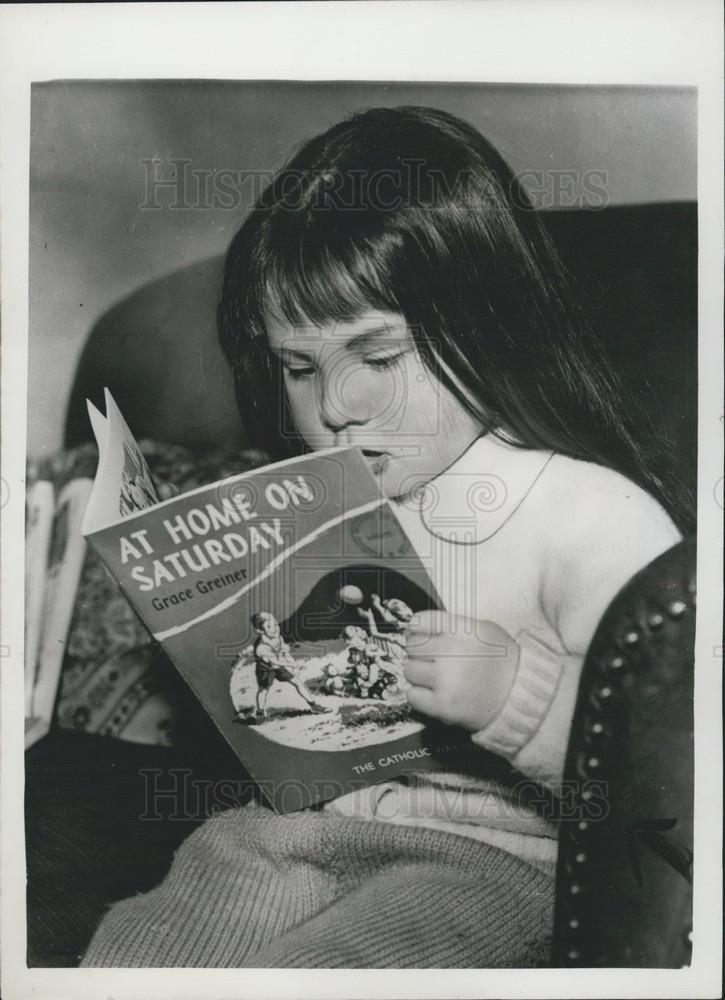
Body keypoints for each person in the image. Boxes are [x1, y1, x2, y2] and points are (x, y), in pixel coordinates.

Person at [82, 106, 691, 968]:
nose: (335, 407)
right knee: (147, 941)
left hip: (507, 861)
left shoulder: (591, 514)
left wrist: (518, 697)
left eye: (378, 357)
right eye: (299, 368)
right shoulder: (323, 503)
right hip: (312, 826)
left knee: (328, 972)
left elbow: (671, 787)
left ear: (489, 322)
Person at [250, 611, 328, 720]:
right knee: (263, 690)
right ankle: (260, 713)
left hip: (278, 665)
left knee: (297, 681)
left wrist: (293, 665)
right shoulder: (261, 647)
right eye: (269, 627)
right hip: (266, 669)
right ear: (260, 630)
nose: (275, 629)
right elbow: (275, 661)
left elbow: (285, 652)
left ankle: (314, 705)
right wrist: (289, 664)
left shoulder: (278, 637)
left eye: (276, 624)